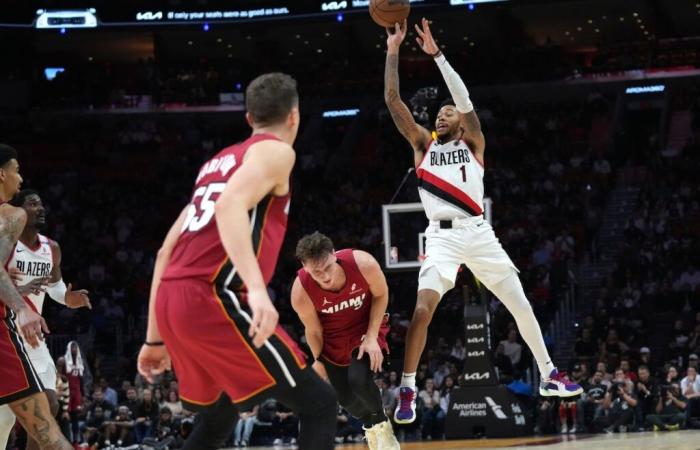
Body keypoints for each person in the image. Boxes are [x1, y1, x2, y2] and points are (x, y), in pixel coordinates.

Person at [382, 19, 582, 424]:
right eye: (439, 112)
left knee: (520, 303)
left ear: (460, 121)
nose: (442, 114)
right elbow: (392, 100)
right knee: (422, 310)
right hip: (440, 238)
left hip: (479, 232)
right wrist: (393, 50)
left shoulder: (474, 141)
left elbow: (465, 98)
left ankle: (548, 375)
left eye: (448, 112)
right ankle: (408, 389)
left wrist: (436, 55)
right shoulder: (422, 146)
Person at [136, 73, 337, 450]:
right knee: (320, 405)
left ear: (248, 118)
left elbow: (166, 251)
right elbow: (230, 205)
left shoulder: (217, 162)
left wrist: (153, 337)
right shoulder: (278, 152)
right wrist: (258, 292)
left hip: (172, 297)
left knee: (219, 417)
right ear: (294, 116)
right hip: (212, 297)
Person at [0, 189, 91, 450]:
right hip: (7, 336)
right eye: (32, 204)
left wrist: (69, 298)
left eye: (41, 204)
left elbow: (56, 289)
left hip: (34, 340)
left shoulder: (51, 248)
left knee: (48, 405)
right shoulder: (6, 245)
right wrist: (20, 296)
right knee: (4, 422)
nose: (40, 208)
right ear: (17, 212)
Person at [290, 232, 399, 449]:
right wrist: (319, 360)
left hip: (365, 327)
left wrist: (371, 336)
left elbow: (381, 294)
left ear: (334, 255)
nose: (325, 276)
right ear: (304, 265)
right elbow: (313, 331)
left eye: (328, 268)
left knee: (359, 379)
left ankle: (382, 425)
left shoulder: (363, 263)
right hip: (332, 339)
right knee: (344, 398)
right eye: (316, 272)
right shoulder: (300, 292)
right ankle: (370, 425)